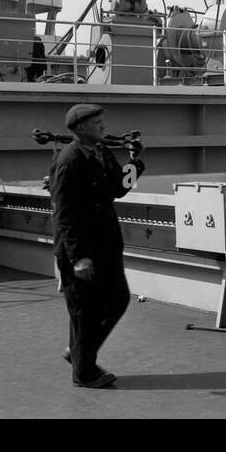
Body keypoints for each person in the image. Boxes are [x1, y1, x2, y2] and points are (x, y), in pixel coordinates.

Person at [49, 103, 145, 388]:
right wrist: (79, 257)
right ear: (80, 128)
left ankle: (78, 353)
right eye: (97, 122)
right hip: (81, 252)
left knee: (117, 300)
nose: (103, 126)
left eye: (103, 121)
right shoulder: (69, 161)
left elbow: (119, 188)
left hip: (106, 247)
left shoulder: (101, 153)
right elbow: (64, 215)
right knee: (84, 312)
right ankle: (85, 372)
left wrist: (134, 162)